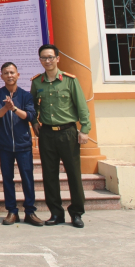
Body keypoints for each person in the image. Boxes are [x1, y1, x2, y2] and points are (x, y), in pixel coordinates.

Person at [32, 44, 91, 229]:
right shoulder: (37, 82)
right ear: (40, 60)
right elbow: (33, 106)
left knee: (73, 174)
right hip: (47, 133)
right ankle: (56, 213)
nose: (47, 61)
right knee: (49, 175)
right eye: (44, 58)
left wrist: (85, 129)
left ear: (57, 58)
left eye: (50, 57)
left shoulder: (70, 81)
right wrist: (34, 122)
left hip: (68, 133)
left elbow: (81, 106)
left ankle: (77, 213)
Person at [0, 62, 41, 226]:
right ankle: (12, 211)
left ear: (18, 75)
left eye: (12, 72)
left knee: (27, 178)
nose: (9, 75)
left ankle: (30, 211)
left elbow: (30, 116)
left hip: (23, 143)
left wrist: (14, 109)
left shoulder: (26, 95)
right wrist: (5, 108)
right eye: (6, 73)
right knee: (7, 178)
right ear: (1, 76)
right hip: (4, 144)